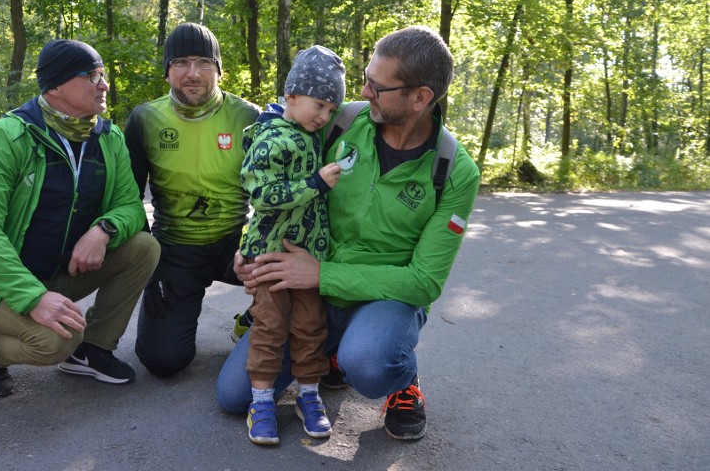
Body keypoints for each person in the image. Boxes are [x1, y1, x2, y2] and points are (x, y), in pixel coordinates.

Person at [216, 26, 481, 441]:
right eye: (366, 78)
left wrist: (322, 274)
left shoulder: (453, 171)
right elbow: (277, 141)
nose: (364, 90)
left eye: (377, 86)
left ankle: (401, 376)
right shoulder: (340, 121)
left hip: (382, 298)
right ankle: (332, 354)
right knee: (234, 396)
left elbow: (424, 281)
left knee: (372, 366)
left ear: (421, 97)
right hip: (311, 293)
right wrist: (251, 245)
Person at [0, 39, 161, 398]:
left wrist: (103, 229)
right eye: (91, 76)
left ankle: (92, 350)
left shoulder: (108, 138)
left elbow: (130, 207)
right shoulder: (5, 138)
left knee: (144, 246)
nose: (104, 84)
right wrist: (32, 298)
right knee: (54, 342)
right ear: (56, 85)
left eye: (102, 74)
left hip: (59, 272)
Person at [124, 22, 261, 377]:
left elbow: (272, 195)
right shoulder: (145, 118)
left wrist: (264, 246)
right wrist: (148, 261)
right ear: (167, 71)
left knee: (291, 273)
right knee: (163, 361)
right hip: (175, 247)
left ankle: (257, 317)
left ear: (219, 70)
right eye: (181, 62)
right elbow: (129, 197)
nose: (193, 73)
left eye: (203, 62)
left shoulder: (249, 117)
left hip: (236, 239)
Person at [240, 45, 344, 445]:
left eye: (331, 109)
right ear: (291, 97)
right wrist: (313, 183)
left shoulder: (310, 134)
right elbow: (262, 195)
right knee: (269, 327)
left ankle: (309, 395)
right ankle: (262, 401)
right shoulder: (271, 138)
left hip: (308, 260)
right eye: (318, 104)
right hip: (269, 256)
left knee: (309, 328)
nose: (323, 115)